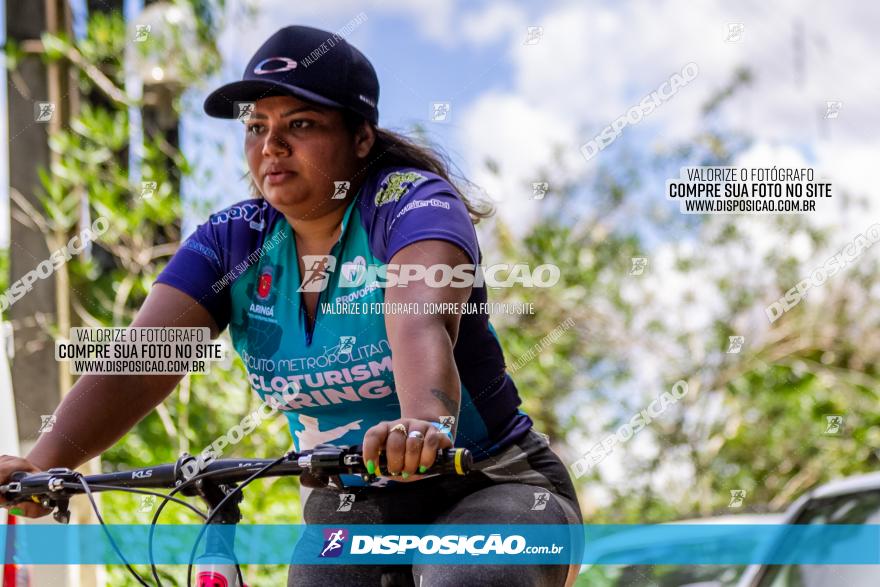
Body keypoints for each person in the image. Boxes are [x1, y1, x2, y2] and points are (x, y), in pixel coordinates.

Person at [0, 25, 582, 586]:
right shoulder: (232, 242)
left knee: (471, 573)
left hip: (492, 481)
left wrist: (424, 424)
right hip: (354, 500)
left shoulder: (411, 204)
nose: (271, 146)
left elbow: (418, 318)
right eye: (256, 127)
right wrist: (43, 463)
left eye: (300, 124)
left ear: (361, 137)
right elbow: (144, 360)